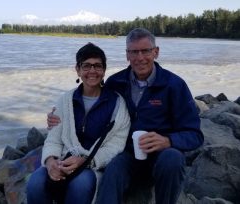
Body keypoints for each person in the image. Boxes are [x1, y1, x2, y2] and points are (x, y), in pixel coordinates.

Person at [47, 28, 204, 204]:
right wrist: (59, 116)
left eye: (145, 51)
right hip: (126, 152)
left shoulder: (174, 85)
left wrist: (168, 141)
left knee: (173, 159)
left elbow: (195, 134)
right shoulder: (116, 82)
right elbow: (92, 103)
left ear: (156, 52)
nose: (140, 58)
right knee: (113, 170)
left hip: (161, 154)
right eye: (134, 52)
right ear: (127, 55)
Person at [26, 42, 130, 204]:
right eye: (86, 66)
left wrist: (86, 160)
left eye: (98, 66)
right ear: (78, 69)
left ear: (104, 70)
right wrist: (50, 161)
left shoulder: (117, 104)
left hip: (93, 166)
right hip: (62, 160)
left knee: (81, 184)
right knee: (35, 183)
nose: (92, 71)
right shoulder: (65, 100)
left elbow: (116, 145)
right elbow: (54, 139)